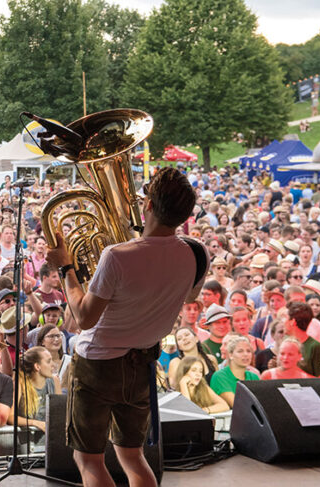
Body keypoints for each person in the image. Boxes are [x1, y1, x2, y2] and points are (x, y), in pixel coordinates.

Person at [46, 167, 201, 487]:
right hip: (143, 363)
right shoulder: (195, 254)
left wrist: (65, 267)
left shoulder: (116, 255)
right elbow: (183, 294)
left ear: (147, 206)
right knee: (132, 455)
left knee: (88, 459)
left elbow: (84, 317)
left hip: (97, 366)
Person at [8, 346, 59, 433]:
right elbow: (10, 417)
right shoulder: (20, 383)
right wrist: (35, 423)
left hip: (50, 438)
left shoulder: (55, 381)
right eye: (48, 361)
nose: (53, 365)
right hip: (27, 440)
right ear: (37, 366)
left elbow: (59, 412)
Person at [210, 336, 260, 407]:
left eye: (248, 351)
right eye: (240, 351)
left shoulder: (253, 376)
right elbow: (236, 404)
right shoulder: (220, 376)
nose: (246, 354)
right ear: (230, 355)